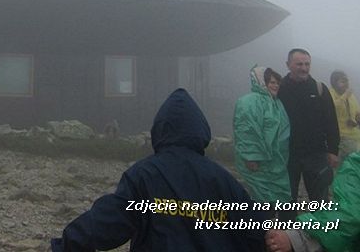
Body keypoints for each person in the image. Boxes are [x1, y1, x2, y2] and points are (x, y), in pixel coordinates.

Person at [50, 89, 266, 251]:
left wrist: (67, 244)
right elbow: (255, 232)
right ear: (201, 130)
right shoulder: (222, 179)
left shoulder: (143, 175)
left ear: (159, 129)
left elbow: (109, 221)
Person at [277, 49, 340, 208]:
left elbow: (331, 121)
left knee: (320, 201)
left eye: (307, 64)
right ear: (288, 64)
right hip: (287, 154)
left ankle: (319, 231)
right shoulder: (280, 89)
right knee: (286, 199)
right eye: (299, 64)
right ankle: (287, 231)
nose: (304, 68)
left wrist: (333, 150)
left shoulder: (319, 89)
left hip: (316, 154)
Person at [264, 151, 360, 252]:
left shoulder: (356, 165)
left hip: (314, 157)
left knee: (318, 199)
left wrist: (297, 237)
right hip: (291, 158)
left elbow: (351, 213)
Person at [233, 66, 291, 206]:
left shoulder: (276, 103)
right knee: (258, 200)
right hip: (258, 163)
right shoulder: (250, 101)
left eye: (277, 82)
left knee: (271, 202)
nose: (275, 85)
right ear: (261, 82)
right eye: (271, 82)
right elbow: (247, 131)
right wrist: (251, 156)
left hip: (275, 163)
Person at [328, 70, 360, 161]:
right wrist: (344, 96)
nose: (346, 84)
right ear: (334, 83)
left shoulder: (351, 96)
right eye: (343, 81)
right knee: (337, 169)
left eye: (347, 81)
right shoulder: (330, 94)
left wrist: (357, 119)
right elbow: (331, 108)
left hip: (353, 138)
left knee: (351, 168)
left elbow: (357, 112)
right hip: (338, 139)